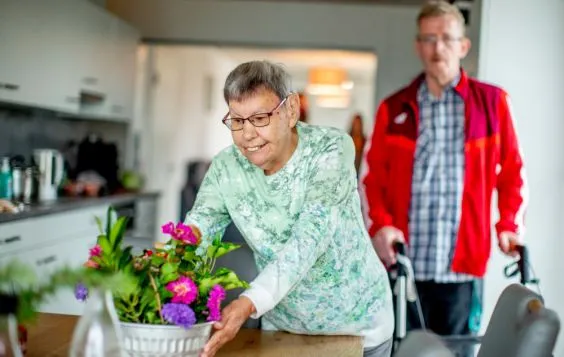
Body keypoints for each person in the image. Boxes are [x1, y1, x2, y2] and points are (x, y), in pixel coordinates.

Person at [185, 60, 394, 357]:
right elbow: (199, 228)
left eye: (259, 118)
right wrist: (165, 271)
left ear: (291, 110)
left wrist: (248, 303)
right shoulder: (225, 168)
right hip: (283, 328)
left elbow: (310, 238)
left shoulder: (331, 149)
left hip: (356, 324)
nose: (247, 134)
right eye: (236, 120)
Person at [361, 0, 528, 354]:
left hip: (462, 270)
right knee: (401, 351)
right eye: (429, 38)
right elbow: (370, 178)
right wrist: (381, 227)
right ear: (418, 46)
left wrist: (509, 224)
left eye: (447, 38)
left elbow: (513, 172)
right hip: (404, 265)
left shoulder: (493, 104)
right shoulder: (394, 108)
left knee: (457, 352)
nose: (438, 48)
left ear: (463, 45)